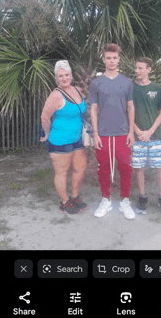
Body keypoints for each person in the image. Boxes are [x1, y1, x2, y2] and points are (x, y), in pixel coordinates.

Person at [88, 43, 135, 219]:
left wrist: (131, 132)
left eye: (114, 58)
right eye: (108, 58)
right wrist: (95, 133)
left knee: (125, 168)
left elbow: (130, 107)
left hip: (123, 133)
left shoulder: (126, 82)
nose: (112, 61)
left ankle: (124, 201)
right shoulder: (96, 83)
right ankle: (106, 200)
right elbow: (93, 109)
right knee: (104, 169)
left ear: (119, 59)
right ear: (104, 59)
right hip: (104, 134)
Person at [40, 60, 88, 214]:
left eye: (67, 75)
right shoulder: (56, 95)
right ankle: (65, 202)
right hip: (60, 140)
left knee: (80, 168)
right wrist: (47, 133)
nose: (64, 78)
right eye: (61, 76)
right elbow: (44, 117)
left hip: (77, 138)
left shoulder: (77, 90)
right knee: (62, 172)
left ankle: (74, 197)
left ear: (71, 75)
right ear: (56, 78)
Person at [131, 57, 161, 215]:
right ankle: (142, 198)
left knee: (159, 168)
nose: (137, 71)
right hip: (138, 137)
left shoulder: (157, 87)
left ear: (149, 70)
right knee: (139, 169)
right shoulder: (131, 88)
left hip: (155, 137)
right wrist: (137, 131)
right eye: (136, 68)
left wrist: (150, 131)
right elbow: (128, 111)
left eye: (140, 68)